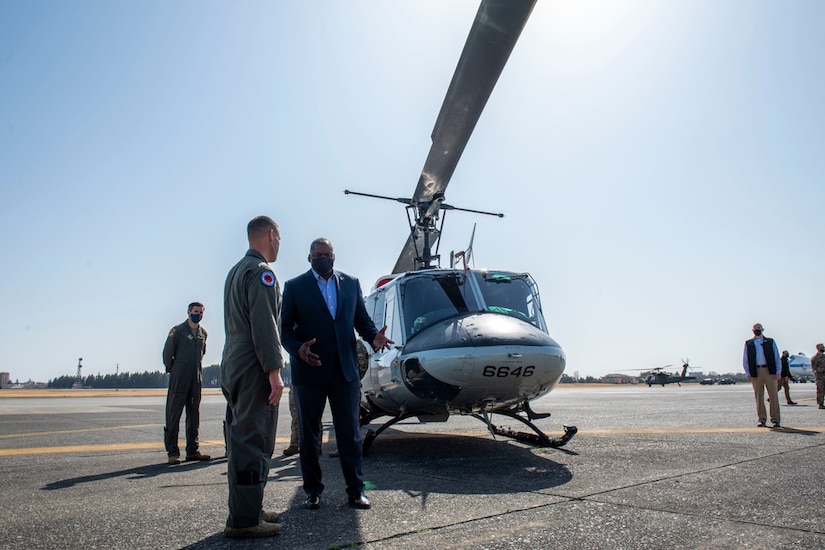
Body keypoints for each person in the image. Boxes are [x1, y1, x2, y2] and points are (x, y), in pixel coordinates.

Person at [281, 238, 392, 511]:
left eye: (327, 254)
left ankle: (356, 490)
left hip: (345, 371)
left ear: (334, 256)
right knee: (310, 436)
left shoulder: (351, 284)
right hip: (310, 370)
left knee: (350, 434)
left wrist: (374, 337)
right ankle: (312, 491)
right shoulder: (295, 287)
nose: (323, 258)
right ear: (309, 258)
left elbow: (361, 321)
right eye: (318, 255)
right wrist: (298, 350)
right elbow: (284, 331)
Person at [220, 216, 285, 539]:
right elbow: (264, 325)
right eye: (279, 238)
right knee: (253, 440)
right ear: (271, 235)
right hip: (253, 365)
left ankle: (249, 507)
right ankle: (244, 520)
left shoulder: (236, 271)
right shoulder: (261, 273)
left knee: (240, 438)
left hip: (234, 363)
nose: (279, 245)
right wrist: (274, 371)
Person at [162, 301, 210, 465]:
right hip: (179, 377)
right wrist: (174, 371)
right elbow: (168, 353)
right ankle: (173, 452)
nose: (199, 315)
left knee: (193, 414)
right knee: (173, 414)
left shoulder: (203, 333)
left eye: (201, 312)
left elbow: (202, 353)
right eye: (196, 311)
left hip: (195, 378)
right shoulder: (177, 331)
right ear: (189, 312)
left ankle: (192, 450)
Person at [742, 322, 782, 428]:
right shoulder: (749, 343)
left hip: (769, 371)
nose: (757, 330)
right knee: (759, 397)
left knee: (773, 396)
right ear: (752, 330)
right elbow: (745, 359)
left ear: (762, 329)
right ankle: (762, 419)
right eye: (755, 328)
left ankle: (775, 419)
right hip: (756, 371)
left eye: (759, 328)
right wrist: (748, 373)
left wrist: (778, 371)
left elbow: (777, 356)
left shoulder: (770, 341)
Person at [812, 343, 825, 410]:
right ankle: (821, 404)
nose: (823, 348)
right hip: (820, 378)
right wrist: (823, 369)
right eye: (822, 347)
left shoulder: (824, 356)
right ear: (818, 348)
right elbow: (814, 369)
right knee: (820, 391)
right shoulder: (815, 358)